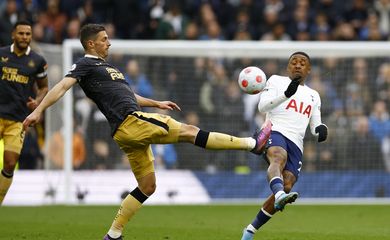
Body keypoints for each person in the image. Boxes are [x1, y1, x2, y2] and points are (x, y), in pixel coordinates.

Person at [22, 24, 271, 240]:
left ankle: (113, 233)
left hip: (127, 131)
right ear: (91, 43)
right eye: (104, 39)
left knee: (147, 186)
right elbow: (62, 86)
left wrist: (157, 103)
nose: (108, 42)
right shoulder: (85, 64)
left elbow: (128, 95)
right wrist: (38, 112)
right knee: (189, 131)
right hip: (131, 123)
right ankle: (252, 144)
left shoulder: (108, 69)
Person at [241, 52, 328, 240]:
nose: (297, 65)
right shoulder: (275, 81)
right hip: (275, 131)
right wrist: (286, 93)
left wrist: (321, 130)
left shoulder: (314, 95)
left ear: (309, 69)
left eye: (302, 63)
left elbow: (315, 124)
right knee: (278, 157)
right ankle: (279, 193)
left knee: (288, 184)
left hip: (296, 142)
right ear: (288, 67)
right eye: (294, 62)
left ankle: (250, 230)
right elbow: (262, 107)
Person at [0, 20, 48, 205]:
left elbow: (44, 87)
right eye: (21, 33)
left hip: (17, 120)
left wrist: (37, 101)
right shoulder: (1, 54)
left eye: (28, 34)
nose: (24, 37)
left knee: (10, 163)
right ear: (13, 34)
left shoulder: (37, 61)